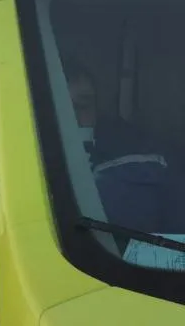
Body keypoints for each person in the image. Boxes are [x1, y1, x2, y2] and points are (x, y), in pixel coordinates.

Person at [66, 65, 185, 234]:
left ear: (97, 109)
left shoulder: (150, 166)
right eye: (61, 108)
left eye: (83, 106)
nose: (73, 118)